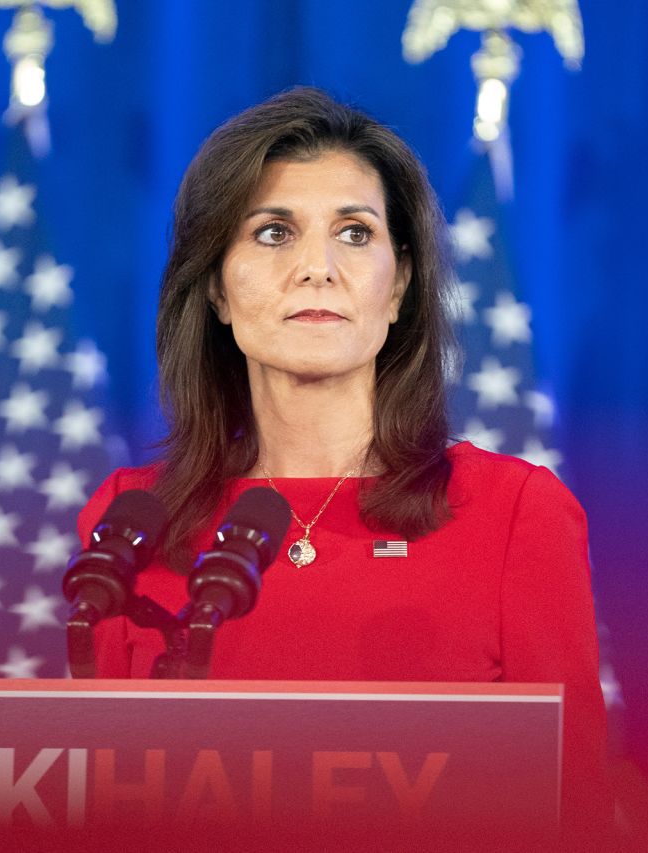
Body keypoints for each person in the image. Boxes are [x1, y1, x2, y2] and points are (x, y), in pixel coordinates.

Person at [77, 87, 608, 834]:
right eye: (272, 233)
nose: (317, 268)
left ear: (400, 290)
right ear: (217, 293)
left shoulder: (515, 511)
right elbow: (100, 802)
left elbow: (571, 810)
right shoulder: (132, 519)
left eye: (355, 233)